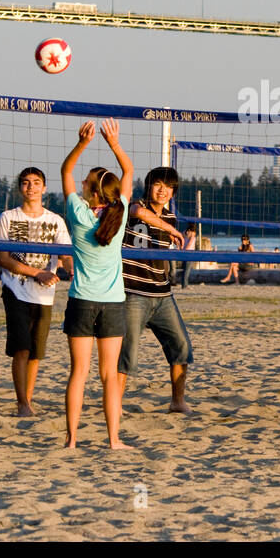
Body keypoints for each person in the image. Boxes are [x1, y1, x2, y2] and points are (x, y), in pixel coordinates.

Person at [60, 119, 134, 450]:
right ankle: (114, 439)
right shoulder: (120, 212)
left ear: (89, 192)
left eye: (86, 183)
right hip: (113, 302)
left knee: (79, 373)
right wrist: (114, 143)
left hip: (81, 300)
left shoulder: (77, 211)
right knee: (109, 376)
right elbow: (129, 172)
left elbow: (65, 171)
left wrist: (82, 142)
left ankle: (72, 439)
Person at [0, 167, 73, 417]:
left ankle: (28, 398)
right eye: (26, 183)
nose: (31, 187)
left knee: (36, 352)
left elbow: (66, 256)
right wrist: (36, 272)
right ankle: (22, 404)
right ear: (20, 188)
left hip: (44, 294)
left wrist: (73, 270)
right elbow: (4, 259)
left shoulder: (55, 220)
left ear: (44, 188)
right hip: (15, 289)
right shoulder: (8, 217)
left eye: (36, 183)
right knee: (22, 348)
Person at [118, 165, 193, 416]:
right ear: (148, 186)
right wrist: (172, 231)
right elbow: (140, 213)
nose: (163, 191)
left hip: (162, 293)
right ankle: (115, 404)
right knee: (128, 352)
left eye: (168, 187)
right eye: (158, 185)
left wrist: (179, 239)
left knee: (181, 345)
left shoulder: (171, 217)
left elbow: (161, 252)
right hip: (134, 291)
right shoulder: (133, 207)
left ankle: (177, 401)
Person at [179, 224, 197, 289]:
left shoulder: (184, 233)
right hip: (189, 254)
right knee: (187, 270)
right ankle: (185, 285)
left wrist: (181, 249)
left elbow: (180, 236)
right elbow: (190, 244)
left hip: (184, 253)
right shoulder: (192, 236)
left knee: (184, 270)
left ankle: (184, 284)